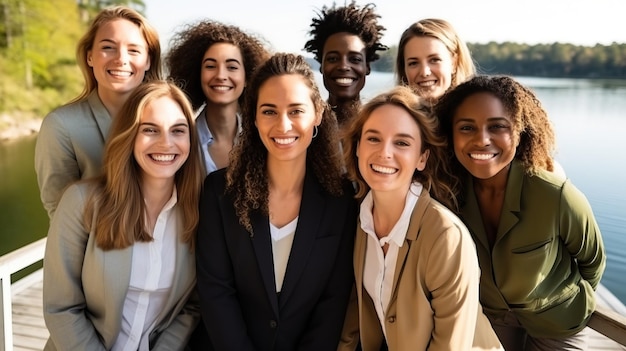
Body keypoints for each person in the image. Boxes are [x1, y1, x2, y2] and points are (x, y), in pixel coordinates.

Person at [195, 53, 357, 350]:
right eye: (269, 111)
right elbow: (216, 292)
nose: (283, 126)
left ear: (317, 113)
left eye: (296, 111)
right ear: (254, 117)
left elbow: (333, 302)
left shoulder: (342, 199)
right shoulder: (220, 191)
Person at [434, 75, 606, 351]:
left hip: (557, 322)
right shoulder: (448, 193)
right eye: (466, 127)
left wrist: (559, 301)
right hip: (490, 319)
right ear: (450, 134)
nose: (482, 140)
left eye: (497, 127)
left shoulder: (554, 194)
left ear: (520, 132)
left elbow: (592, 260)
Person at [337, 85, 503, 351]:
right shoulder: (360, 221)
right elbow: (357, 311)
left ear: (422, 158)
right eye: (373, 138)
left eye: (401, 142)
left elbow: (451, 346)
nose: (385, 153)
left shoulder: (445, 237)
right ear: (357, 148)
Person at [42, 80, 203, 350]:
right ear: (129, 135)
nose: (166, 143)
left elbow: (192, 306)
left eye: (178, 130)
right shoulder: (82, 203)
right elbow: (61, 308)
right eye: (150, 130)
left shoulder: (199, 210)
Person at [35, 5, 162, 219]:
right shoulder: (61, 126)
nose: (121, 59)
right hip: (101, 249)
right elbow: (61, 216)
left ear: (148, 60)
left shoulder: (168, 120)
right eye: (108, 47)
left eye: (134, 50)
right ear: (90, 57)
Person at [166, 20, 270, 175]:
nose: (221, 76)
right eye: (210, 66)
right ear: (198, 74)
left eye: (232, 67)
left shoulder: (263, 141)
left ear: (248, 77)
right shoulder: (178, 141)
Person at [304, 0, 387, 129]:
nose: (343, 66)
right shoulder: (305, 126)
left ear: (367, 67)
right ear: (321, 65)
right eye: (332, 59)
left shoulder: (383, 126)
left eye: (354, 59)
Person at [395, 18, 475, 105]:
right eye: (413, 63)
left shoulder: (478, 112)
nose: (424, 72)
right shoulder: (390, 116)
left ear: (454, 63)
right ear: (404, 69)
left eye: (434, 60)